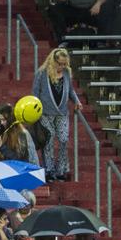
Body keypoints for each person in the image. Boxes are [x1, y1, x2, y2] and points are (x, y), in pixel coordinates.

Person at [33, 48, 75, 181]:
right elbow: (35, 92)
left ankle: (61, 169)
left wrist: (77, 102)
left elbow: (70, 90)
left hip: (62, 112)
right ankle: (49, 170)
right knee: (49, 140)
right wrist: (36, 111)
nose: (62, 66)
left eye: (64, 64)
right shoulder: (41, 73)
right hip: (45, 112)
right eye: (60, 63)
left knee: (63, 139)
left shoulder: (67, 73)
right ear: (53, 61)